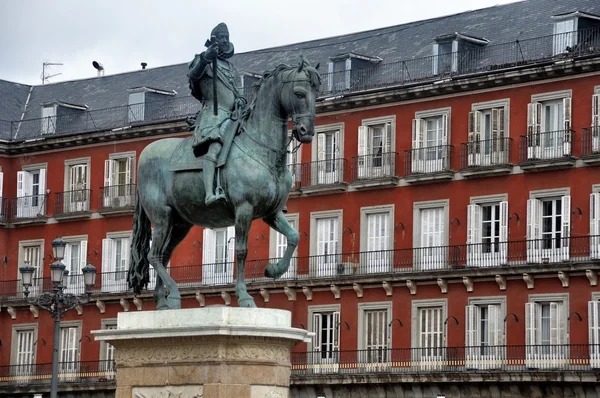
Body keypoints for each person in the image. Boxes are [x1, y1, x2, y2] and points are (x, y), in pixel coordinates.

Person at [187, 22, 245, 205]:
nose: (225, 40)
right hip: (213, 114)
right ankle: (209, 193)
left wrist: (240, 101)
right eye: (221, 37)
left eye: (227, 37)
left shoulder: (232, 68)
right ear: (214, 39)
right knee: (215, 146)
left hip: (233, 115)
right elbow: (193, 76)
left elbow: (240, 92)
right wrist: (205, 58)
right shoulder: (202, 60)